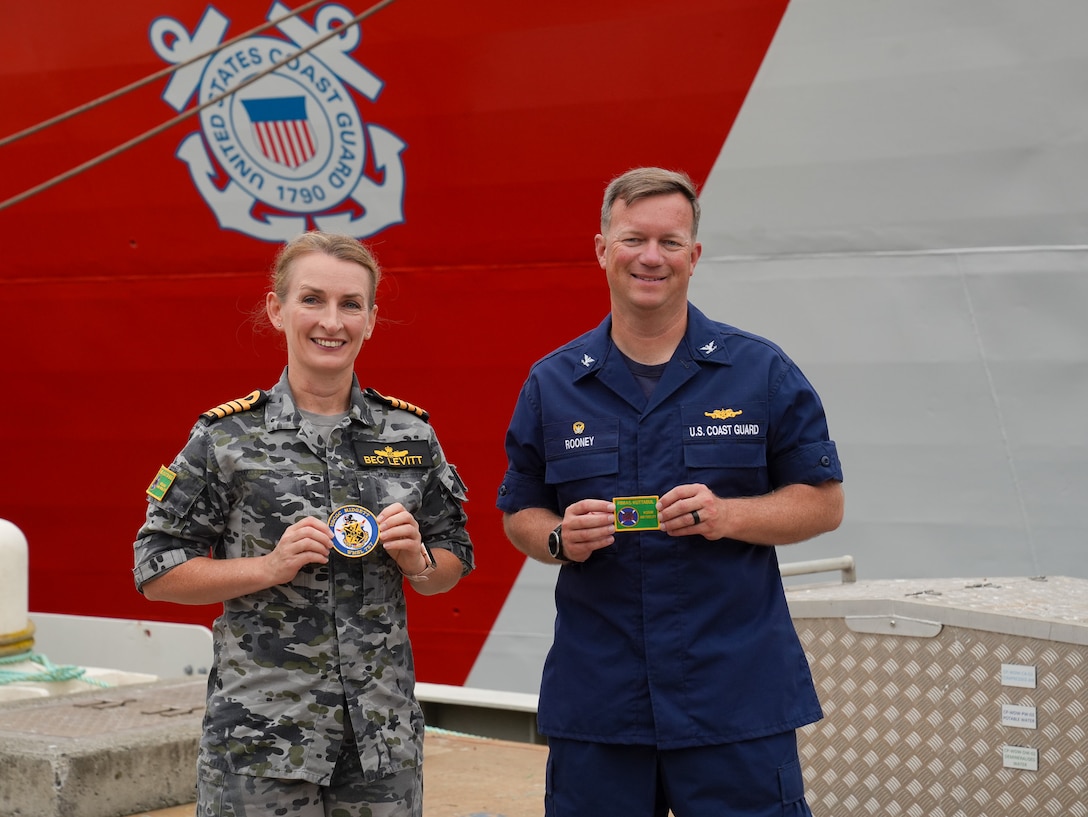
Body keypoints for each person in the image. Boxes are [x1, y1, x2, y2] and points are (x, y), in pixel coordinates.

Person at [496, 167, 844, 817]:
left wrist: (728, 513)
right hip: (602, 704)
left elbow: (823, 502)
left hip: (733, 700)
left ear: (694, 256)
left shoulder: (760, 371)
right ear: (602, 249)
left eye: (670, 242)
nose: (651, 257)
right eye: (633, 239)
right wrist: (557, 537)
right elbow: (520, 511)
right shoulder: (553, 383)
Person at [133, 230, 473, 817]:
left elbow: (451, 563)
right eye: (312, 299)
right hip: (262, 743)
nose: (331, 322)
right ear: (277, 309)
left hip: (379, 744)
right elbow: (156, 569)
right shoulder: (226, 439)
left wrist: (418, 559)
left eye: (350, 304)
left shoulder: (411, 436)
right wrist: (267, 567)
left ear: (370, 319)